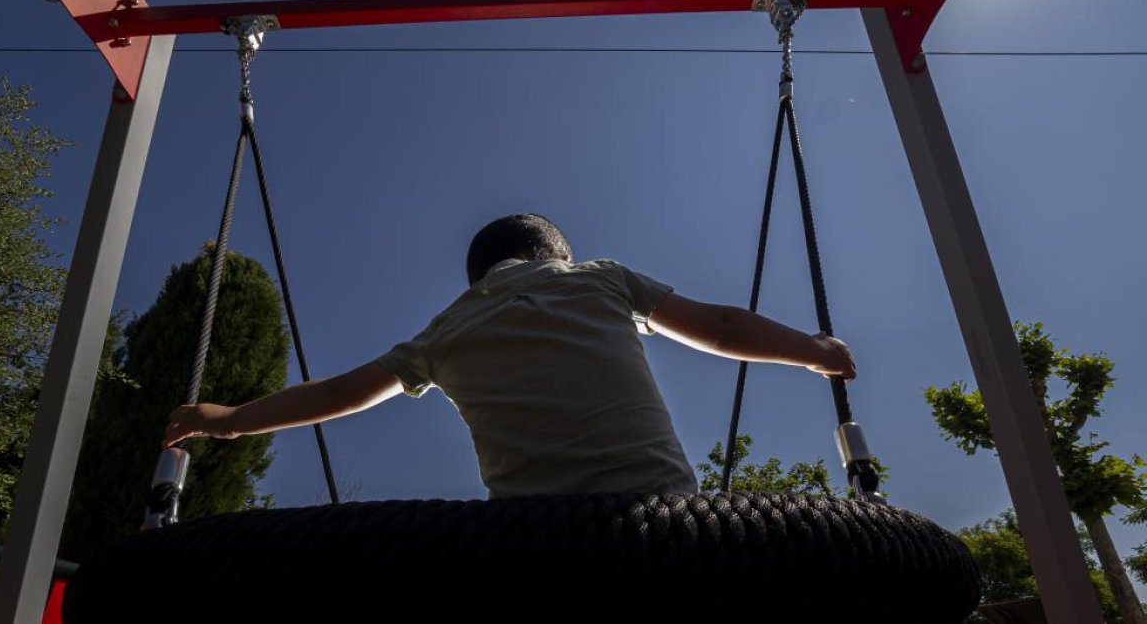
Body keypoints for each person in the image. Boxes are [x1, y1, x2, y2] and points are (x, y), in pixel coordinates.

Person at [163, 213, 855, 499]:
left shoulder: (445, 330)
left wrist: (224, 418)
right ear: (561, 256)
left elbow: (339, 392)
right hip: (662, 515)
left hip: (531, 541)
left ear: (478, 279)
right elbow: (724, 327)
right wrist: (814, 351)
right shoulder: (601, 278)